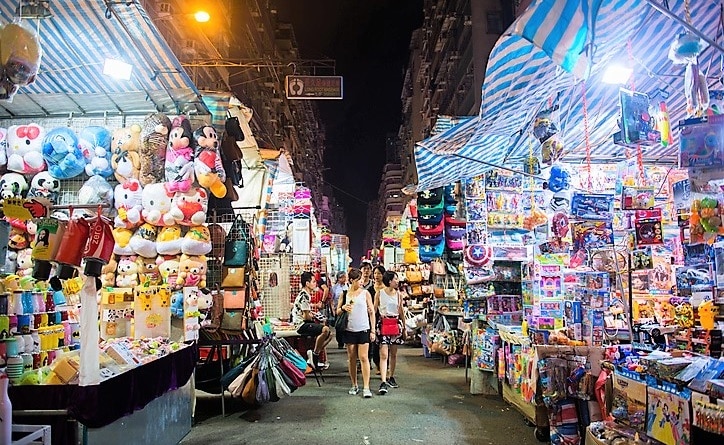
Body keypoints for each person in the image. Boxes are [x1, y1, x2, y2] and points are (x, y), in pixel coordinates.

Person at [336, 267, 376, 398]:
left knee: (364, 358)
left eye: (362, 280)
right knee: (352, 358)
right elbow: (337, 311)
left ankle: (366, 387)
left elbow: (371, 312)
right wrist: (343, 307)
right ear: (352, 280)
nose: (361, 282)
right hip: (349, 330)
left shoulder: (366, 294)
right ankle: (354, 384)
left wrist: (373, 330)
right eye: (359, 280)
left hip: (363, 329)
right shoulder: (345, 293)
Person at [292, 271, 333, 370]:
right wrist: (313, 316)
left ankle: (314, 353)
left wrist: (312, 315)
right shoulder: (304, 296)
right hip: (301, 325)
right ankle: (314, 355)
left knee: (330, 335)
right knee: (325, 330)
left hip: (304, 322)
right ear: (307, 283)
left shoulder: (306, 295)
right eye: (314, 281)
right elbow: (306, 317)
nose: (316, 284)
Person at [374, 271, 404, 394]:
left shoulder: (398, 295)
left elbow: (401, 311)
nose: (397, 281)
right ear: (389, 281)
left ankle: (391, 376)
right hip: (384, 324)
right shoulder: (379, 294)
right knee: (384, 354)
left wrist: (405, 327)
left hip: (395, 324)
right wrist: (372, 327)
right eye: (395, 279)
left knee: (394, 354)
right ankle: (383, 381)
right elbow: (374, 310)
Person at [369, 264, 386, 374]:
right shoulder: (370, 290)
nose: (376, 275)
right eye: (375, 273)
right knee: (374, 344)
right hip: (373, 318)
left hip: (385, 319)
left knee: (385, 343)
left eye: (379, 273)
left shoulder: (387, 289)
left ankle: (385, 366)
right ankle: (378, 365)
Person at [330, 271, 349, 347]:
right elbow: (331, 299)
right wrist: (333, 310)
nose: (343, 279)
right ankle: (340, 342)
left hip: (347, 308)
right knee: (339, 325)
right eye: (341, 277)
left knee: (346, 325)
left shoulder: (348, 286)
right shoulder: (334, 288)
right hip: (338, 308)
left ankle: (346, 341)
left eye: (344, 277)